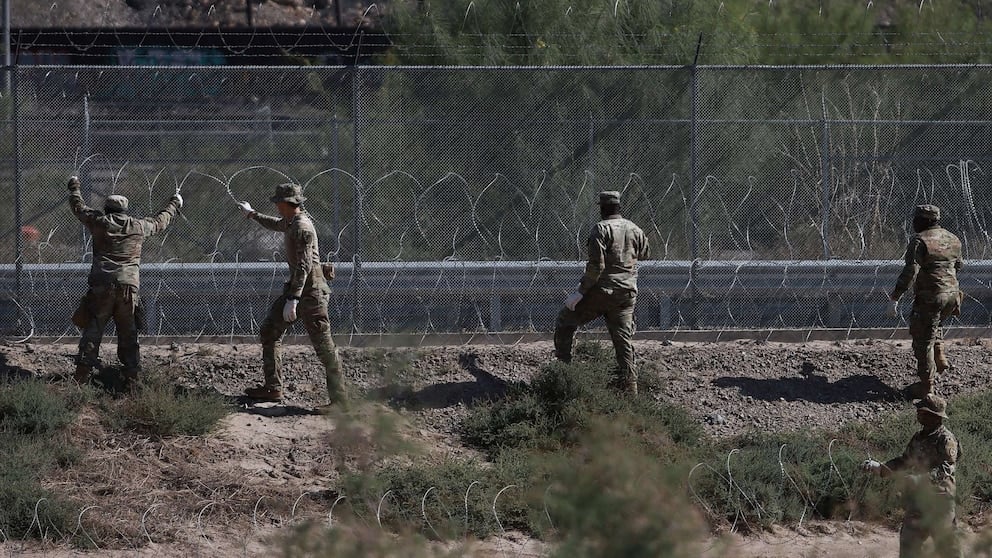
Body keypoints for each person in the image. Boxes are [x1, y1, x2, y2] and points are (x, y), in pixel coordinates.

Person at [67, 175, 183, 385]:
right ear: (124, 210)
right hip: (128, 287)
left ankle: (82, 375)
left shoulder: (99, 222)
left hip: (102, 285)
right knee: (128, 333)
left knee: (93, 331)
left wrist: (74, 186)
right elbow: (160, 222)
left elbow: (78, 207)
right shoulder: (138, 226)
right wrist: (174, 203)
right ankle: (132, 377)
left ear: (107, 209)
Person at [238, 183, 345, 408]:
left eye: (278, 202)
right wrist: (252, 215)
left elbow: (304, 266)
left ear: (286, 204)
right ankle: (273, 388)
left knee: (325, 348)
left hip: (311, 294)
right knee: (269, 331)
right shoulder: (291, 221)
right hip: (298, 291)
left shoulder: (302, 227)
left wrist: (293, 299)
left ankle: (340, 402)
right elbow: (277, 225)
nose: (276, 206)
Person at [553, 190, 650, 394]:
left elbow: (596, 266)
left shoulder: (601, 229)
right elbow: (644, 253)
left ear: (602, 208)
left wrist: (580, 292)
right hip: (626, 293)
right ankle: (629, 388)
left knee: (565, 319)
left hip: (602, 292)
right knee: (622, 340)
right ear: (619, 207)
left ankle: (564, 375)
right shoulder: (635, 228)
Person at [861, 394, 962, 558]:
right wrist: (880, 468)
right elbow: (904, 461)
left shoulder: (946, 439)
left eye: (921, 411)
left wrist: (920, 479)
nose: (918, 413)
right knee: (909, 544)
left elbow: (946, 468)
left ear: (933, 416)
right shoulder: (918, 437)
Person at [889, 204, 964, 399]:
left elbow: (911, 271)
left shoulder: (919, 240)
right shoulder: (953, 238)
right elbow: (958, 265)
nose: (913, 222)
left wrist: (895, 295)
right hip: (953, 295)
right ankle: (940, 354)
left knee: (922, 341)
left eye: (916, 219)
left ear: (925, 220)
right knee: (934, 324)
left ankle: (927, 387)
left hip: (932, 297)